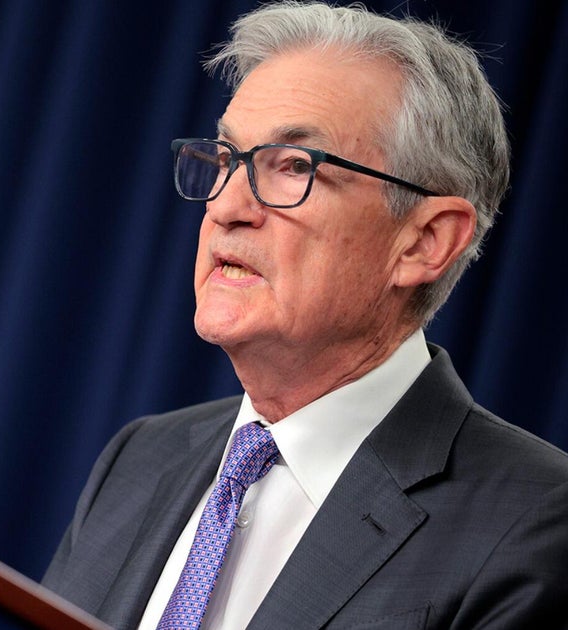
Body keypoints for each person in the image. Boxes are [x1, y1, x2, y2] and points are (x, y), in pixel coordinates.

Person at [41, 2, 568, 629]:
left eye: (294, 166)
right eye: (226, 159)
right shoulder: (140, 458)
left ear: (425, 241)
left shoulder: (533, 525)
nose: (226, 207)